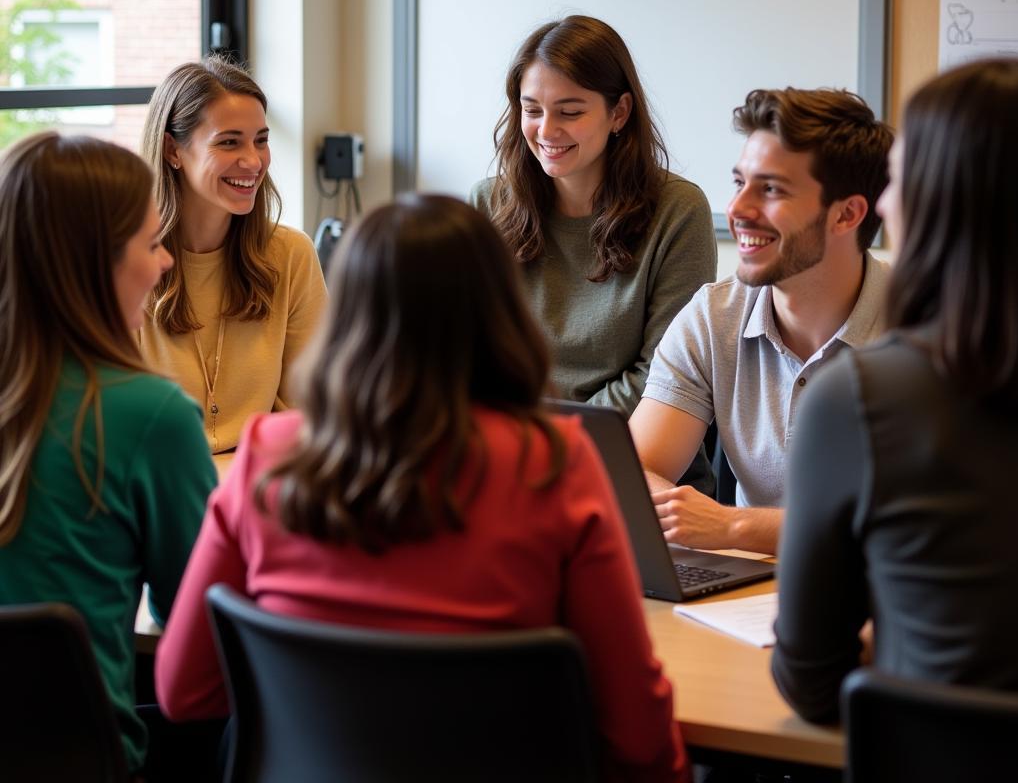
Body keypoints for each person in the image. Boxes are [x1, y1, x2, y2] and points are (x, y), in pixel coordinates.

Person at [155, 194, 688, 781]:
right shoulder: (554, 465)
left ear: (347, 314)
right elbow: (638, 738)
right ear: (500, 310)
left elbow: (185, 692)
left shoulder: (267, 456)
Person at [772, 58, 1018, 723]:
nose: (884, 203)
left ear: (947, 201)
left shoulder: (863, 395)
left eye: (901, 178)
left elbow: (811, 681)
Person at [0, 133, 217, 778]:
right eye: (151, 244)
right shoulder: (149, 416)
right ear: (98, 263)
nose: (167, 264)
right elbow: (205, 639)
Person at [631, 87, 892, 555]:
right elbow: (633, 471)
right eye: (739, 183)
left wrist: (735, 527)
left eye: (770, 189)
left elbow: (900, 527)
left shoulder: (927, 329)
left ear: (847, 214)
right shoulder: (714, 317)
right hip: (745, 599)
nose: (737, 210)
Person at [471, 15, 717, 489]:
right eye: (532, 109)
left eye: (570, 111)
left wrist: (545, 441)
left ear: (619, 113)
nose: (546, 130)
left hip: (634, 469)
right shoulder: (488, 204)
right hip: (513, 463)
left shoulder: (678, 211)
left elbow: (663, 376)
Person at [139, 56, 327, 453]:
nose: (254, 161)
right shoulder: (123, 262)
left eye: (261, 139)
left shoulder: (291, 255)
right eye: (229, 142)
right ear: (173, 150)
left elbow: (311, 412)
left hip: (257, 491)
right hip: (155, 493)